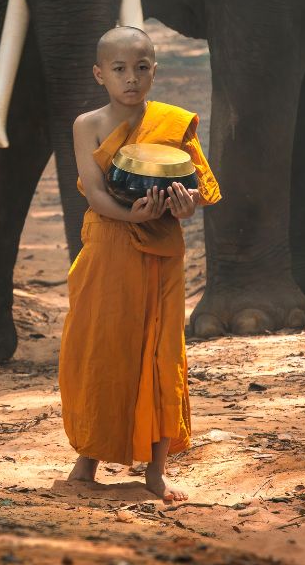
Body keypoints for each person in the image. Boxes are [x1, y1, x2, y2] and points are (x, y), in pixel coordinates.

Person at [59, 25, 220, 502]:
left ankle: (156, 468)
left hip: (161, 248)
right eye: (119, 69)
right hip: (109, 244)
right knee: (100, 346)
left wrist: (185, 206)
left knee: (160, 350)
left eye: (142, 68)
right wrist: (130, 214)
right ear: (99, 74)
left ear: (155, 71)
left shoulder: (172, 123)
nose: (131, 78)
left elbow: (195, 189)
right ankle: (87, 456)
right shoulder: (86, 124)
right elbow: (94, 191)